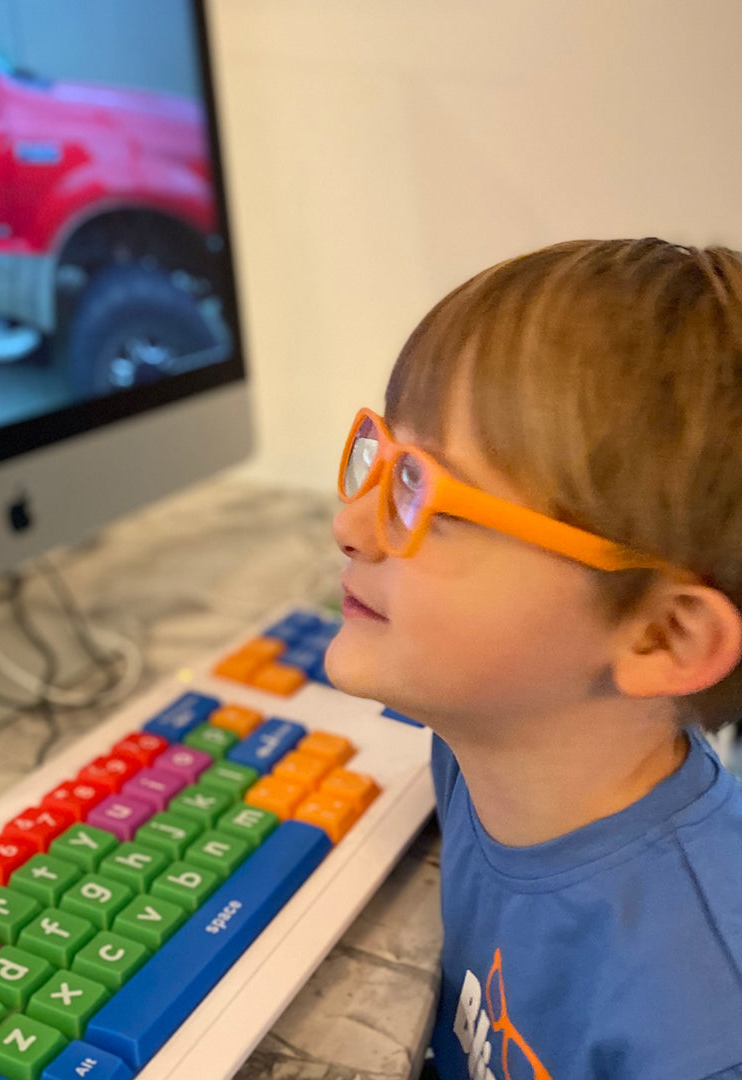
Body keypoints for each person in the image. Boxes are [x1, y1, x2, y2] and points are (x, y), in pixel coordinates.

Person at [326, 238, 742, 1079]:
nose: (350, 526)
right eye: (388, 463)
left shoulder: (698, 1028)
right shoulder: (478, 748)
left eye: (431, 501)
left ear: (662, 637)